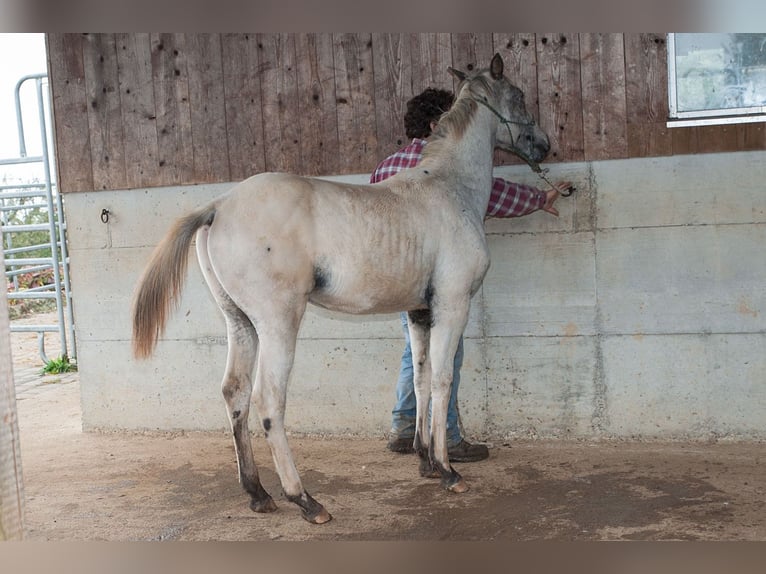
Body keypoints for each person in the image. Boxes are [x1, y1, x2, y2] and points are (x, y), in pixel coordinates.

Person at [370, 87, 570, 463]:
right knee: (447, 354)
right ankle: (447, 436)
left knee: (414, 352)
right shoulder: (446, 169)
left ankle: (404, 425)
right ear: (435, 125)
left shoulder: (385, 167)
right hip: (438, 276)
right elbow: (491, 196)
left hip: (397, 274)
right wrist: (539, 200)